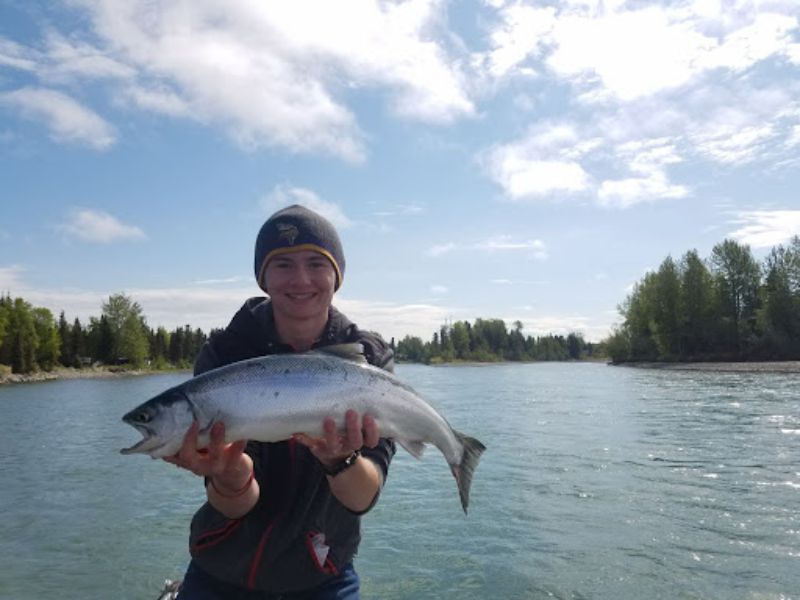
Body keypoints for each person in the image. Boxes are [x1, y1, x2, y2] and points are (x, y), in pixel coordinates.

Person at [166, 204, 396, 599]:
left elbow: (362, 498)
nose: (301, 279)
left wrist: (338, 460)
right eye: (283, 264)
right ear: (264, 277)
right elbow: (236, 505)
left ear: (337, 274)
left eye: (315, 263)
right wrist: (229, 473)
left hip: (322, 575)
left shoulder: (370, 360)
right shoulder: (225, 355)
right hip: (220, 569)